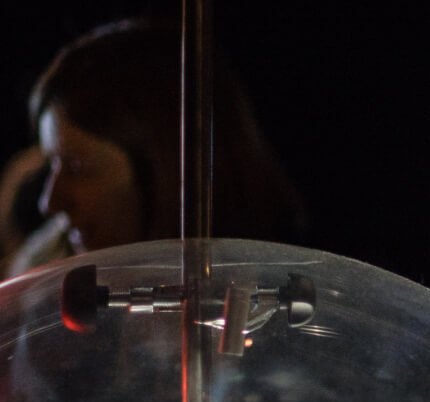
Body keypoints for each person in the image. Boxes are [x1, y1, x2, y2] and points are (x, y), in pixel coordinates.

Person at [5, 16, 304, 277]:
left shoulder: (286, 298)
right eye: (52, 166)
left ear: (170, 167)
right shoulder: (43, 275)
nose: (50, 201)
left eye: (78, 167)